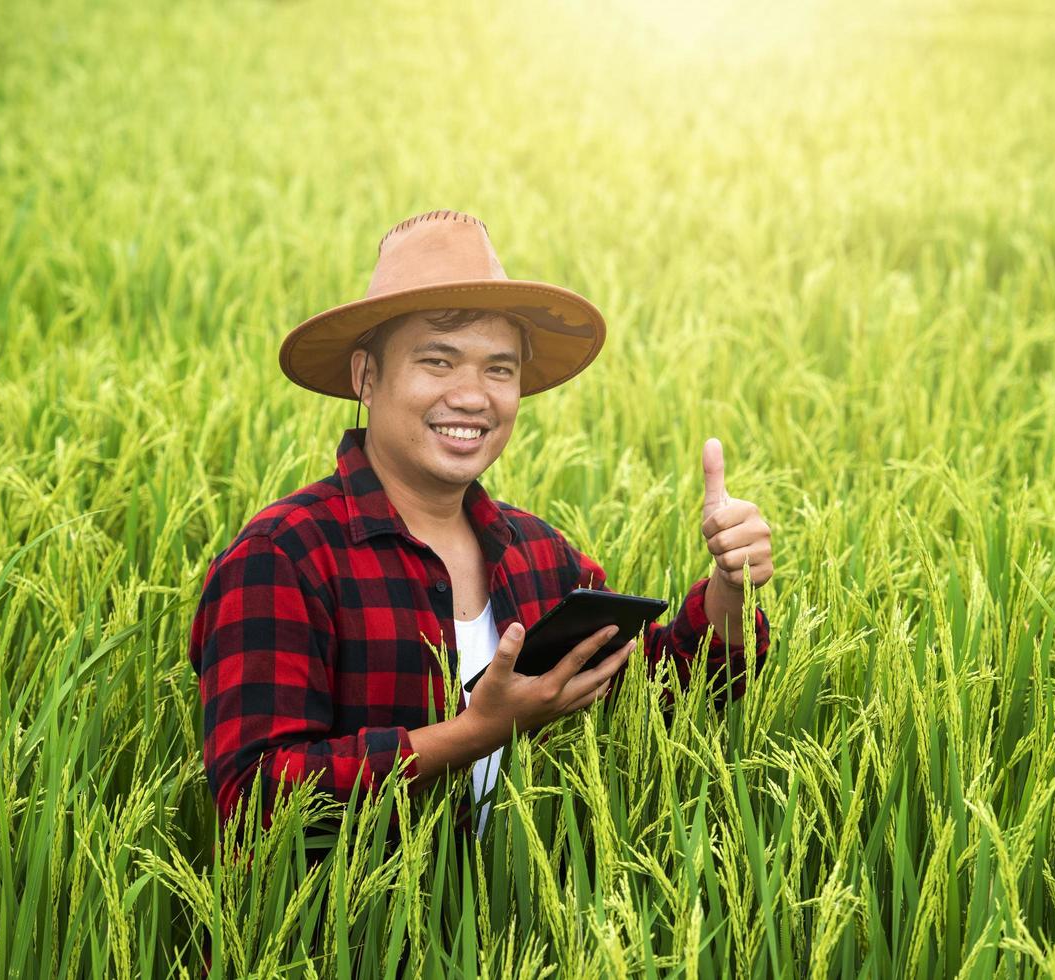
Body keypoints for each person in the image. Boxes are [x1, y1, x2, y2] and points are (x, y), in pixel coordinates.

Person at [188, 209, 774, 840]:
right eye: (437, 362)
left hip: (511, 929)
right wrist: (474, 734)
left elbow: (660, 697)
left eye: (499, 369)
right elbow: (253, 798)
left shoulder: (540, 555)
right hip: (343, 935)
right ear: (367, 374)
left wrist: (729, 588)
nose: (472, 395)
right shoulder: (285, 557)